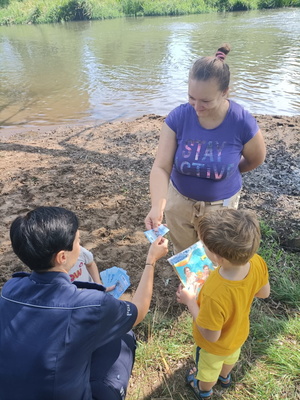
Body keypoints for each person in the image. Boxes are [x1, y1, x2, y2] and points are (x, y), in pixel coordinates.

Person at [0, 206, 168, 400]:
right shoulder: (92, 306)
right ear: (62, 257)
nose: (80, 246)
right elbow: (139, 311)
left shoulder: (11, 288)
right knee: (124, 335)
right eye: (78, 241)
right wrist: (151, 260)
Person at [145, 44, 266, 254]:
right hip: (179, 203)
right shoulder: (178, 117)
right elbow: (162, 167)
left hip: (221, 207)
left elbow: (256, 159)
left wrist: (224, 171)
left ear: (225, 93)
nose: (197, 107)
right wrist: (157, 206)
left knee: (216, 257)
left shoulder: (241, 121)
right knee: (185, 254)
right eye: (191, 98)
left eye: (206, 101)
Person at [176, 209, 270, 399]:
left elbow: (211, 336)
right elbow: (264, 293)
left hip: (214, 347)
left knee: (208, 370)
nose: (202, 247)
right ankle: (225, 377)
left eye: (205, 246)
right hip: (238, 334)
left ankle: (203, 389)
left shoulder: (214, 292)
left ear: (220, 258)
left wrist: (190, 301)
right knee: (230, 358)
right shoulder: (257, 262)